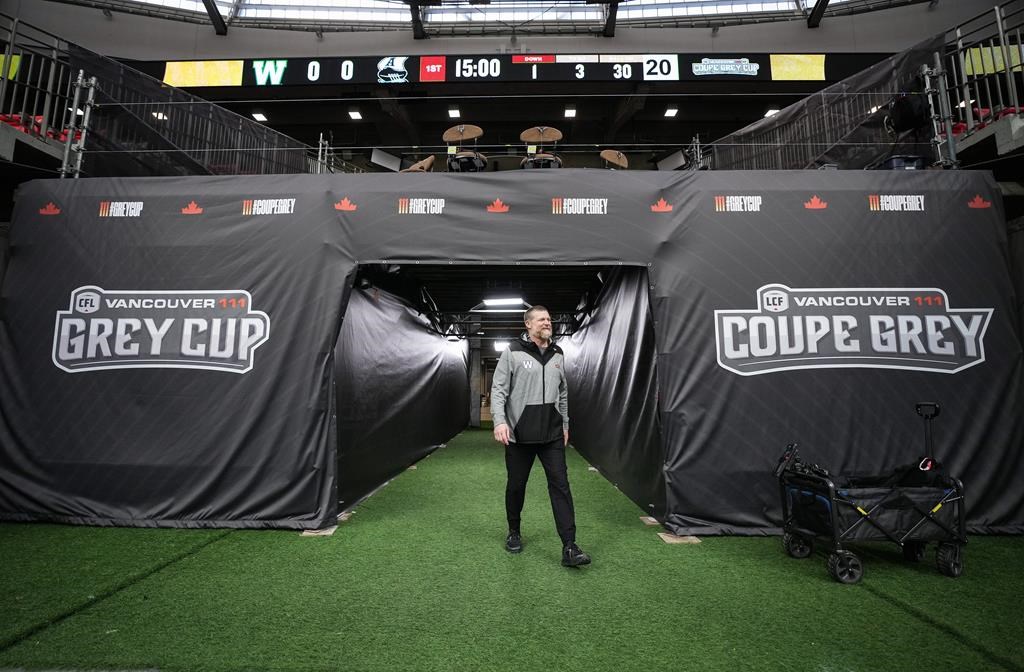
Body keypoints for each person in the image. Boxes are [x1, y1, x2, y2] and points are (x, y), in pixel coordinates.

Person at [490, 305, 591, 567]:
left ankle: (569, 546)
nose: (548, 322)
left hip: (552, 435)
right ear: (528, 324)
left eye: (549, 319)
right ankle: (514, 531)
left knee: (561, 487)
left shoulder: (558, 353)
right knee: (516, 486)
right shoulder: (512, 352)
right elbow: (499, 390)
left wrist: (565, 424)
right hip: (519, 435)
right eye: (542, 319)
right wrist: (500, 421)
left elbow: (563, 392)